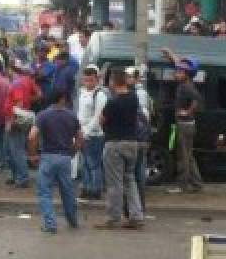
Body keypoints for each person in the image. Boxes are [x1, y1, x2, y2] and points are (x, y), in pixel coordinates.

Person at [28, 89, 84, 234]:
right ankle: (72, 220)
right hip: (65, 157)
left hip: (48, 156)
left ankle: (50, 224)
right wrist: (72, 152)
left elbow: (32, 136)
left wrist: (33, 155)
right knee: (67, 190)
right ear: (62, 99)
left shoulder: (43, 115)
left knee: (44, 191)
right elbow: (79, 138)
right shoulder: (71, 116)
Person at [98, 71, 146, 229]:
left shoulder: (113, 102)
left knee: (114, 183)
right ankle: (136, 216)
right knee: (130, 180)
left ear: (113, 82)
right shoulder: (134, 98)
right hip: (132, 143)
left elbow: (102, 120)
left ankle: (113, 218)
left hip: (115, 143)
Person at [162, 48, 204, 194]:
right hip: (187, 125)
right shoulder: (186, 83)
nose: (176, 73)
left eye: (180, 72)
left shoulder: (186, 87)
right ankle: (197, 183)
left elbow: (197, 100)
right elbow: (180, 64)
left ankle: (182, 185)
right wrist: (171, 54)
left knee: (183, 157)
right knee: (189, 156)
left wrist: (187, 111)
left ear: (186, 74)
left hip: (184, 125)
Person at [5, 61, 40, 188]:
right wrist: (28, 102)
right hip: (25, 118)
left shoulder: (17, 83)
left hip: (17, 119)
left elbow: (18, 103)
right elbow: (39, 95)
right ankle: (17, 176)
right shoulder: (28, 80)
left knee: (16, 150)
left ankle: (22, 178)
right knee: (15, 149)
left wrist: (12, 120)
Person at [76, 66, 108, 200]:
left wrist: (86, 131)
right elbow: (79, 113)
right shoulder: (82, 93)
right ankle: (86, 188)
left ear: (96, 80)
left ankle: (95, 190)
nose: (88, 83)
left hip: (94, 134)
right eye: (86, 80)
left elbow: (98, 116)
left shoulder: (99, 94)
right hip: (82, 132)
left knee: (94, 163)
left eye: (91, 80)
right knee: (84, 163)